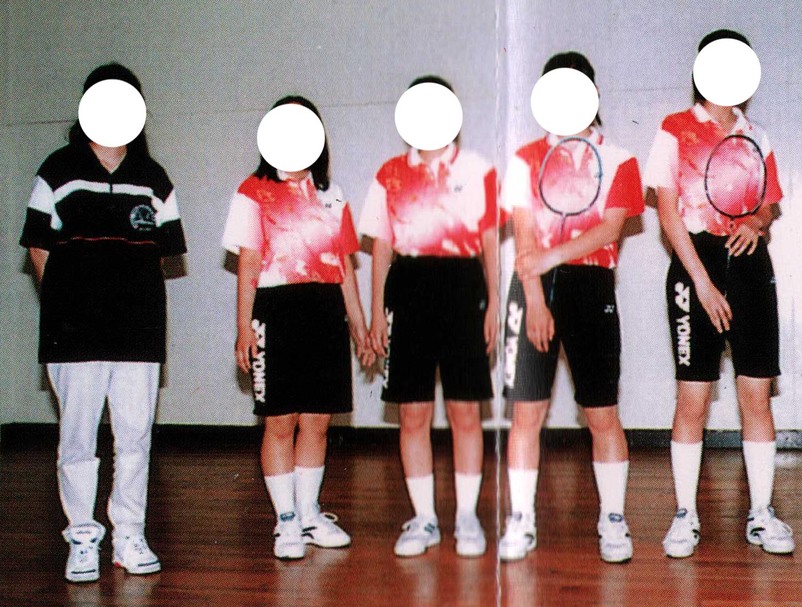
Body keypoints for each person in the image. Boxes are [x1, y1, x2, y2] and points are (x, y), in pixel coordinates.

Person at [19, 63, 186, 582]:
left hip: (138, 331)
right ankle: (83, 538)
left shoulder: (154, 178)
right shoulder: (57, 170)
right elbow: (38, 246)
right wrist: (68, 302)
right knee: (78, 440)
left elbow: (162, 252)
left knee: (135, 438)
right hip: (73, 333)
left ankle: (129, 536)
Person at [644, 30, 794, 559]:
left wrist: (757, 221)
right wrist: (702, 284)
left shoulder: (758, 135)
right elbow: (667, 212)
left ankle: (762, 512)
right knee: (693, 396)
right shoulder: (674, 129)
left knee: (756, 393)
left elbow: (768, 203)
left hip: (750, 265)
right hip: (695, 266)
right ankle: (685, 515)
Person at [498, 52, 644, 564]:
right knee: (526, 413)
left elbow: (610, 228)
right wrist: (536, 297)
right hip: (532, 288)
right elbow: (524, 235)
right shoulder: (524, 159)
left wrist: (552, 257)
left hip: (591, 287)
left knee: (601, 412)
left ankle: (613, 519)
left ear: (593, 94)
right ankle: (521, 519)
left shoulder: (619, 159)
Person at [222, 96, 373, 560]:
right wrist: (244, 327)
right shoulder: (252, 192)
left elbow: (344, 266)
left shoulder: (333, 194)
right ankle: (285, 520)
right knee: (280, 421)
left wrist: (359, 325)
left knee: (317, 421)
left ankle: (309, 514)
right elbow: (248, 264)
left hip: (325, 310)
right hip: (276, 310)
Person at [360, 75, 499, 558]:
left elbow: (488, 243)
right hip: (409, 289)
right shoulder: (389, 174)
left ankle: (466, 518)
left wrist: (494, 304)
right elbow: (380, 247)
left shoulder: (478, 170)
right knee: (413, 412)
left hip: (463, 288)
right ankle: (424, 519)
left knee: (465, 411)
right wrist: (377, 313)